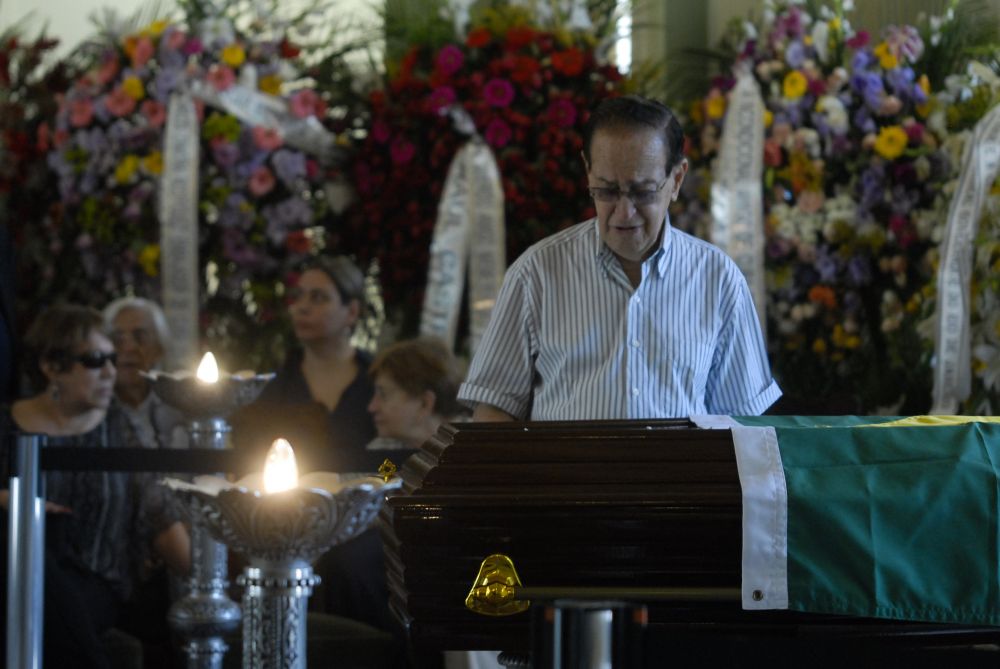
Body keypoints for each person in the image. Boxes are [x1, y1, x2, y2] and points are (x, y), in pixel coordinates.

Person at [459, 95, 781, 421]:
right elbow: (494, 406)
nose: (624, 213)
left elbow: (744, 422)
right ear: (588, 172)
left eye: (643, 192)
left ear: (677, 180)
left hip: (678, 474)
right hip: (565, 473)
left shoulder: (718, 279)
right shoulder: (537, 273)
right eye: (607, 191)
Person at [0, 304, 190, 669]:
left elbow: (160, 516)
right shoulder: (9, 425)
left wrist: (216, 584)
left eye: (112, 360)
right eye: (93, 361)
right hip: (14, 570)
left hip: (95, 580)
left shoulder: (119, 427)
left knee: (43, 594)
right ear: (51, 367)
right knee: (29, 571)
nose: (110, 372)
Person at [234, 254, 378, 474]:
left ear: (352, 311)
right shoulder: (274, 385)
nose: (302, 307)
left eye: (318, 298)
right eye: (297, 296)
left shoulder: (378, 380)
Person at [103, 296, 187, 451]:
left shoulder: (179, 407)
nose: (129, 348)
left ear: (159, 349)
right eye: (117, 339)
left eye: (140, 336)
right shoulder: (93, 409)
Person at [366, 336, 466, 455]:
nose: (372, 407)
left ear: (425, 404)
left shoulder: (477, 451)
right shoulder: (382, 451)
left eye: (383, 395)